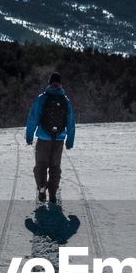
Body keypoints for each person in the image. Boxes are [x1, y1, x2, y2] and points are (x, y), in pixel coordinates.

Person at [25, 72, 76, 203]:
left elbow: (33, 118)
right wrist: (69, 141)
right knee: (55, 167)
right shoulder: (66, 100)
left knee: (41, 165)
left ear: (49, 83)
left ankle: (42, 186)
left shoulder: (42, 98)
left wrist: (29, 136)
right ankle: (52, 192)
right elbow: (71, 123)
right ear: (60, 84)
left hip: (43, 138)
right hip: (59, 140)